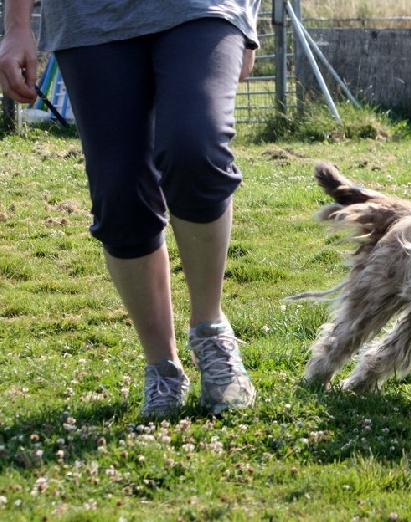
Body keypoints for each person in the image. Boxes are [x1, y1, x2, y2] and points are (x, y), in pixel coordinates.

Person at [0, 0, 261, 417]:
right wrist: (16, 26)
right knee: (119, 193)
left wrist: (247, 20)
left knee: (195, 149)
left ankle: (210, 332)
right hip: (88, 19)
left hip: (201, 9)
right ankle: (163, 367)